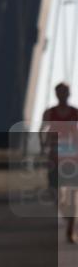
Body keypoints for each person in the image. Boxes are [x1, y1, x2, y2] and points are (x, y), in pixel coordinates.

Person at [40, 82, 78, 244]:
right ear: (56, 94)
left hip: (72, 157)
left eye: (65, 92)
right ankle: (65, 212)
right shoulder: (49, 113)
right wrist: (43, 147)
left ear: (69, 94)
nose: (62, 95)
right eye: (59, 92)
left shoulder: (75, 113)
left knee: (72, 193)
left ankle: (70, 232)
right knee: (54, 192)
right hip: (54, 157)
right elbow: (41, 131)